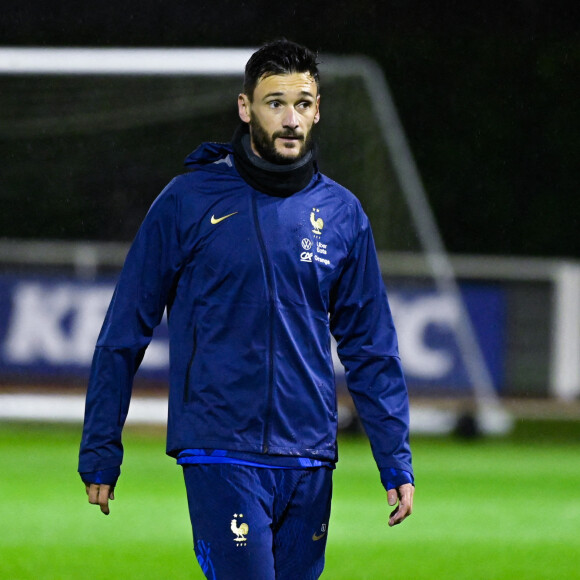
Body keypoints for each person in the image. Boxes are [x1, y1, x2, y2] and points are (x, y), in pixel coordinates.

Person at [79, 39, 414, 579]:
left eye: (302, 103)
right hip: (220, 450)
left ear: (318, 110)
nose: (290, 119)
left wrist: (394, 457)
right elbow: (123, 333)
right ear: (245, 107)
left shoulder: (343, 214)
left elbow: (371, 346)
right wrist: (101, 446)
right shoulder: (187, 201)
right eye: (274, 102)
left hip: (309, 455)